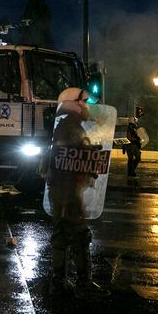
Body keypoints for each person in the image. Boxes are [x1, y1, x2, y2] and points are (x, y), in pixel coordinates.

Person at [46, 87, 109, 298]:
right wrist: (92, 158)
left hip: (61, 189)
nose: (87, 106)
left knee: (61, 234)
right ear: (75, 104)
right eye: (84, 102)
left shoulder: (67, 127)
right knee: (80, 235)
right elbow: (74, 158)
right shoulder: (71, 129)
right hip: (67, 191)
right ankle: (84, 283)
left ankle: (58, 283)